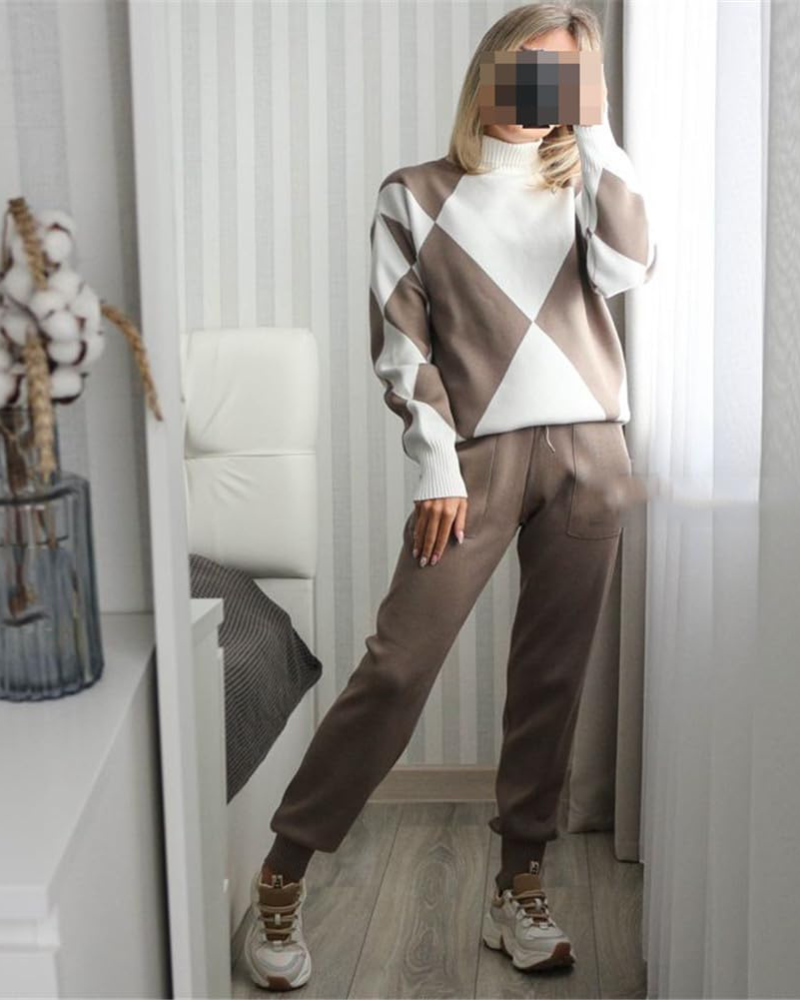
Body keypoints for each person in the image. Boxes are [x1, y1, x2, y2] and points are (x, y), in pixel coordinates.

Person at [243, 2, 656, 990]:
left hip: (591, 454)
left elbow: (628, 266)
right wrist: (434, 462)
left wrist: (596, 131)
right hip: (473, 461)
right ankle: (282, 874)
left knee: (551, 679)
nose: (539, 92)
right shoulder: (414, 194)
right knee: (397, 666)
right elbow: (403, 349)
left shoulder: (585, 182)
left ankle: (519, 886)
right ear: (488, 69)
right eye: (527, 67)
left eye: (563, 77)